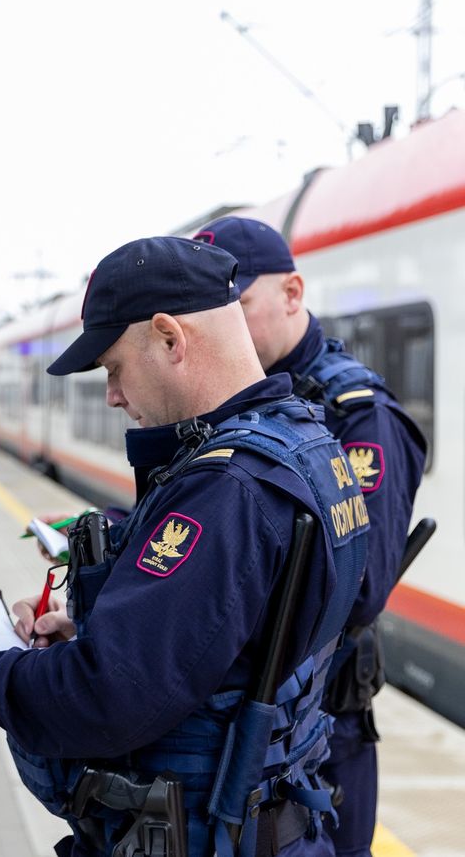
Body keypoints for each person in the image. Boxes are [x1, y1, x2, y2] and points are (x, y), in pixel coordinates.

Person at [0, 237, 370, 857]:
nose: (111, 394)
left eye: (114, 367)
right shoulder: (309, 445)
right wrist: (103, 635)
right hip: (275, 824)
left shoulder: (226, 487)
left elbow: (108, 696)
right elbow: (226, 651)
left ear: (170, 338)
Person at [197, 216, 427, 857]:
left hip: (322, 731)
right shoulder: (239, 403)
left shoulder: (359, 416)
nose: (226, 330)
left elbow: (359, 588)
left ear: (292, 293)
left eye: (239, 307)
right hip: (252, 727)